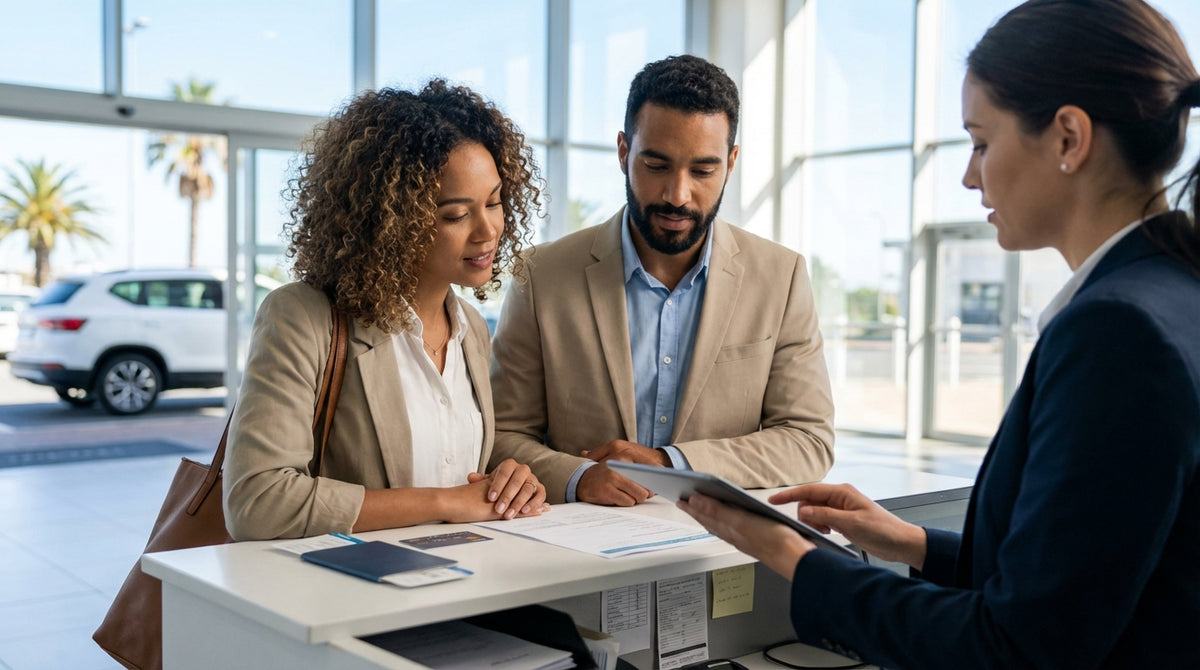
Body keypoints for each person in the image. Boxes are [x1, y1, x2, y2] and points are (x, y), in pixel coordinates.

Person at [679, 1, 1200, 667]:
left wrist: (791, 556)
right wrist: (910, 543)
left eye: (981, 141)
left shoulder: (1119, 330)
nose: (968, 174)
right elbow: (1084, 587)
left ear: (1069, 138)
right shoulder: (1174, 293)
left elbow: (1015, 648)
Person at [489, 55, 835, 506]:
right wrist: (578, 476)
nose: (678, 194)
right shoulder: (541, 276)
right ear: (623, 152)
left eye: (703, 171)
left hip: (718, 550)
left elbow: (809, 440)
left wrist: (671, 463)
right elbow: (502, 434)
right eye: (656, 165)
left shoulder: (781, 276)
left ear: (731, 163)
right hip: (578, 551)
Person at [223, 80, 551, 540]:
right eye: (456, 215)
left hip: (464, 584)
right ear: (392, 219)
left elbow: (461, 469)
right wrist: (443, 503)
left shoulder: (471, 329)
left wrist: (510, 482)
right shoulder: (302, 317)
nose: (488, 230)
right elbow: (257, 502)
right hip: (351, 600)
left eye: (494, 202)